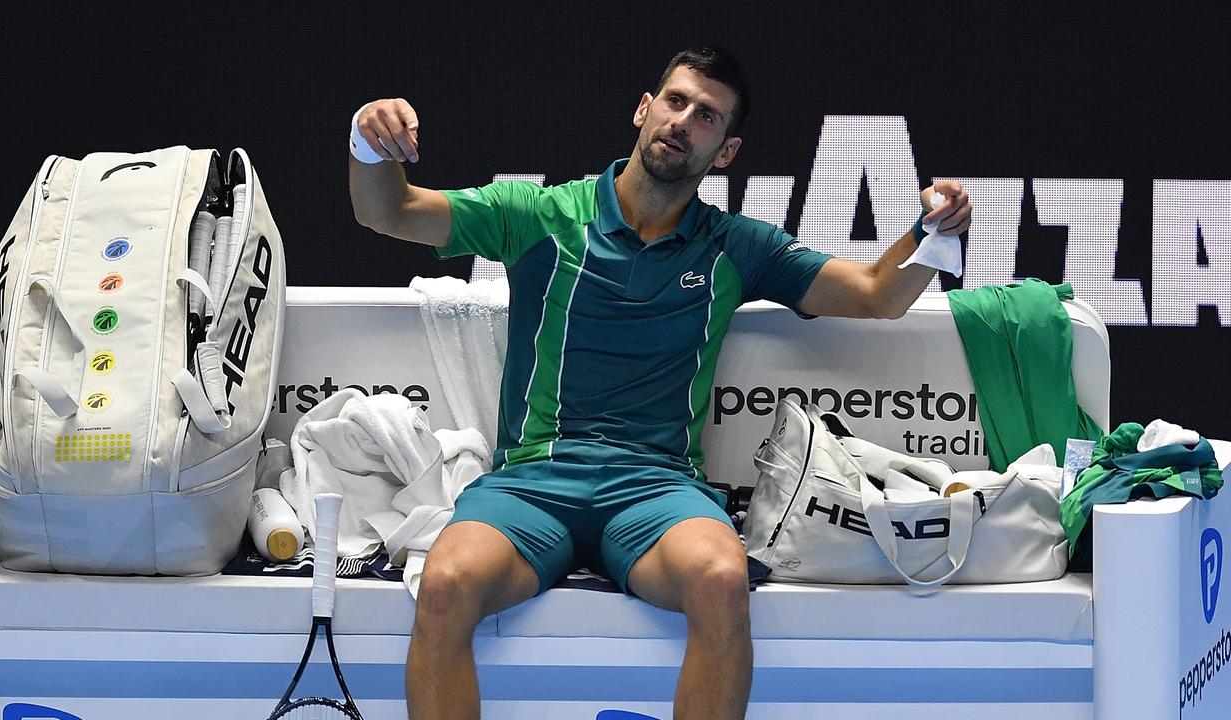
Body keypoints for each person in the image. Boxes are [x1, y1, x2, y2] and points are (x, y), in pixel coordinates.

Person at [349, 46, 971, 720]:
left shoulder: (735, 245)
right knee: (442, 585)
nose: (683, 121)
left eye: (707, 117)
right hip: (534, 481)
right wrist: (367, 139)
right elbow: (389, 212)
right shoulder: (539, 215)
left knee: (723, 580)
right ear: (645, 110)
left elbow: (878, 294)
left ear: (725, 152)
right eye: (675, 102)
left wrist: (934, 231)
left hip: (655, 490)